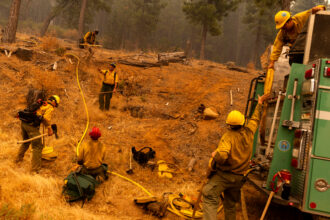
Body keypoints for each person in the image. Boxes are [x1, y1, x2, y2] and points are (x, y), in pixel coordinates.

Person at [202, 93, 270, 220]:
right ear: (243, 121)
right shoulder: (249, 132)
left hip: (225, 176)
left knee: (209, 195)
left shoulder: (228, 136)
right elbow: (255, 119)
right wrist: (259, 103)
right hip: (239, 178)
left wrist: (215, 154)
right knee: (230, 205)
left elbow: (222, 155)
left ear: (229, 124)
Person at [268, 5, 325, 69]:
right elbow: (277, 47)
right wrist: (272, 62)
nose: (283, 29)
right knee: (296, 67)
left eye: (284, 26)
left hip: (311, 51)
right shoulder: (282, 33)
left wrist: (319, 8)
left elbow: (315, 9)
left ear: (289, 20)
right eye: (281, 27)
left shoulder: (301, 17)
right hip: (297, 54)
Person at [16, 95, 60, 173]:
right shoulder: (50, 107)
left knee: (26, 142)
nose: (55, 106)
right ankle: (35, 170)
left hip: (24, 123)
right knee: (38, 146)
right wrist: (49, 129)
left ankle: (17, 161)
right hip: (31, 126)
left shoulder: (43, 103)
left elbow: (39, 116)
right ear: (54, 102)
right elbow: (46, 119)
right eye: (56, 105)